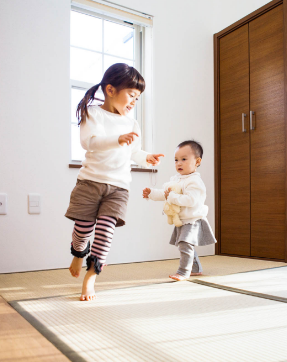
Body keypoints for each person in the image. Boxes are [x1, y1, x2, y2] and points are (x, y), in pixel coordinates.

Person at [65, 63, 164, 301]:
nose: (133, 102)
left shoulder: (131, 123)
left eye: (137, 98)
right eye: (131, 95)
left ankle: (92, 275)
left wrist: (146, 157)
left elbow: (134, 153)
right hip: (90, 182)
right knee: (83, 229)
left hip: (119, 186)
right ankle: (78, 252)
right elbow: (90, 142)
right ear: (110, 90)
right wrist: (117, 139)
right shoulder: (93, 113)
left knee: (106, 229)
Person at [143, 140, 216, 281]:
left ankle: (183, 271)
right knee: (185, 244)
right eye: (176, 160)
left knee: (184, 244)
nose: (179, 163)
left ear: (197, 161)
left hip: (193, 220)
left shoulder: (195, 181)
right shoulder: (176, 179)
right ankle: (195, 268)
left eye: (184, 159)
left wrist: (172, 196)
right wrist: (151, 193)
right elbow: (165, 194)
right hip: (182, 220)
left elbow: (190, 200)